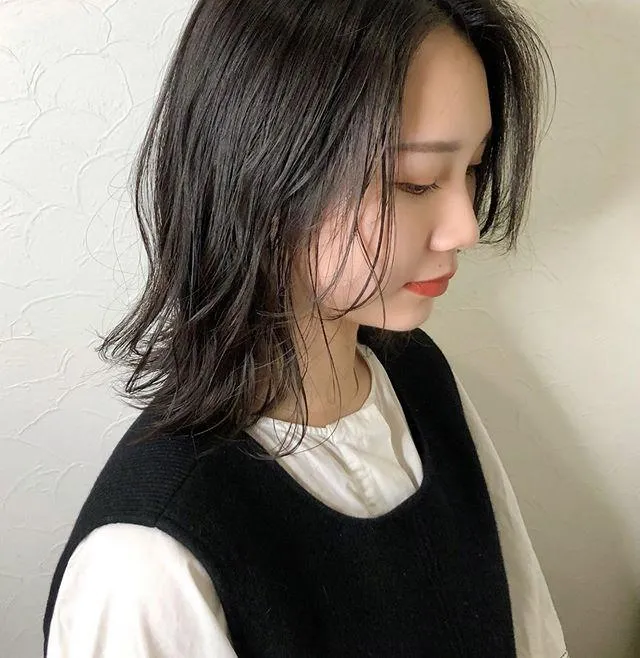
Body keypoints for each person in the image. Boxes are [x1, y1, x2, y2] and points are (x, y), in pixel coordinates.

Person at [43, 0, 568, 656]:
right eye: (415, 181)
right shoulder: (146, 565)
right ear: (265, 172)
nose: (465, 227)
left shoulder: (419, 378)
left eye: (472, 169)